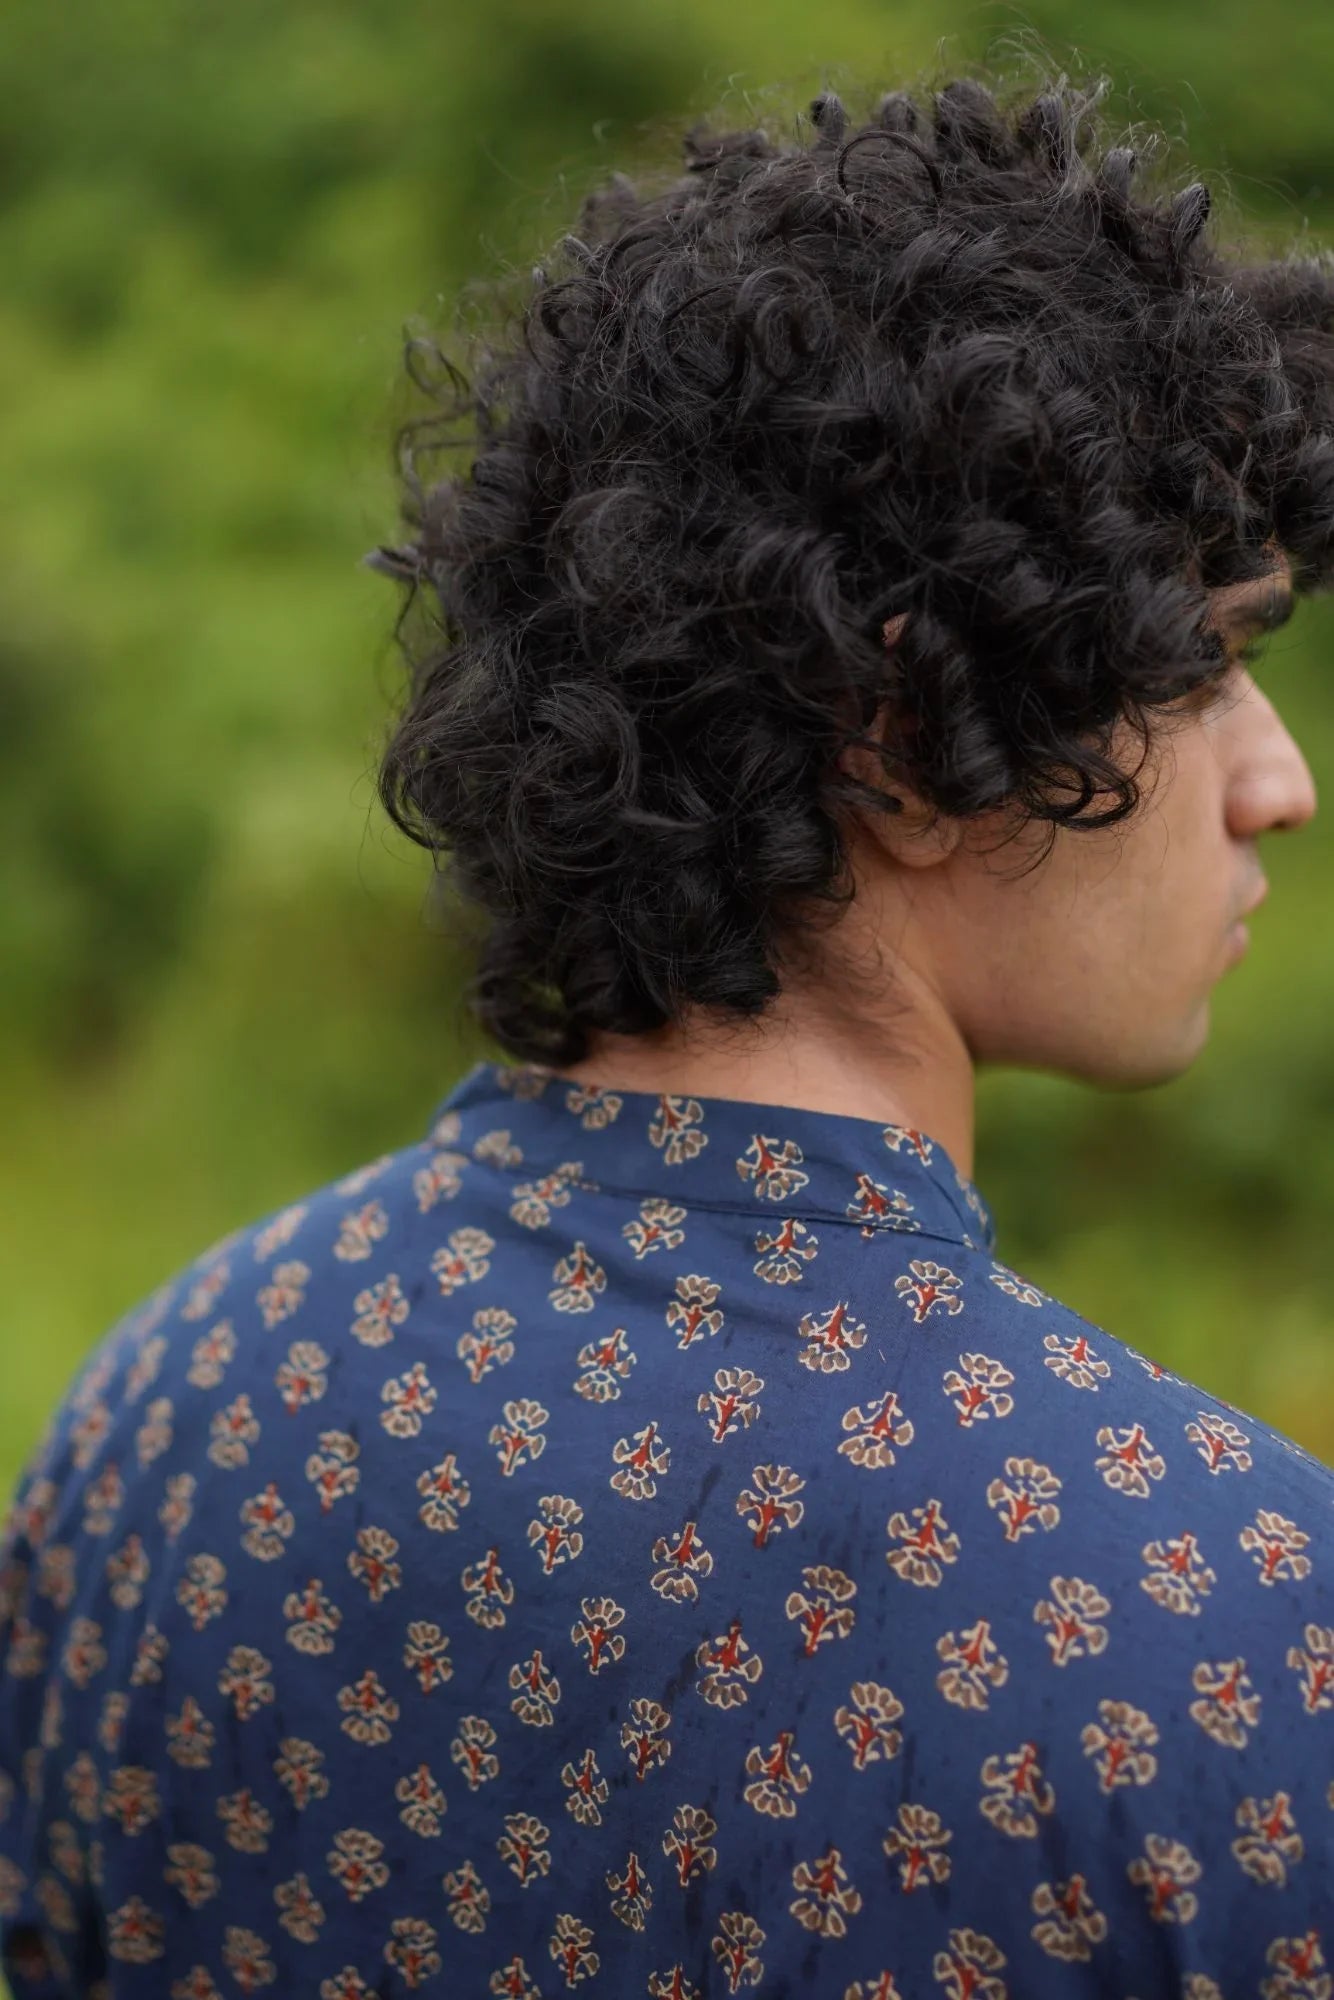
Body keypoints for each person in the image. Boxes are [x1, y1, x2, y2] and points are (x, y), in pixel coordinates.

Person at [2, 61, 1333, 2000]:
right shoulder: (1226, 1614)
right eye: (1201, 666)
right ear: (901, 745)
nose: (1276, 781)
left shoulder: (168, 1404)